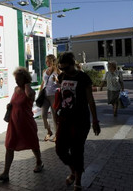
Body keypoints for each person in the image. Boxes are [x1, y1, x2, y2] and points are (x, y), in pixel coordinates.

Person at [55, 52, 101, 191]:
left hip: (80, 120)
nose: (63, 71)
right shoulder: (62, 76)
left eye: (66, 68)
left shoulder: (83, 77)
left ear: (73, 64)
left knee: (77, 150)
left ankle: (78, 181)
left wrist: (95, 120)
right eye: (61, 68)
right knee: (60, 149)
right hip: (64, 119)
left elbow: (90, 100)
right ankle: (75, 171)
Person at [0, 67, 43, 182]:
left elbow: (30, 95)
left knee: (33, 144)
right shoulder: (16, 89)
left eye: (18, 79)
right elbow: (13, 102)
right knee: (9, 146)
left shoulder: (29, 90)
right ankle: (5, 173)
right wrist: (9, 106)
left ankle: (39, 162)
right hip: (14, 123)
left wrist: (26, 84)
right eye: (15, 79)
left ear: (25, 79)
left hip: (26, 123)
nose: (16, 81)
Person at [39, 54, 60, 141]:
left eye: (48, 61)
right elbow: (43, 83)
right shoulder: (45, 70)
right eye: (46, 61)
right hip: (45, 96)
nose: (46, 62)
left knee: (54, 115)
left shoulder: (58, 71)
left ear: (52, 61)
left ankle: (57, 134)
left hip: (54, 95)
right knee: (43, 115)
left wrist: (57, 80)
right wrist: (40, 93)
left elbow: (61, 83)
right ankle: (49, 131)